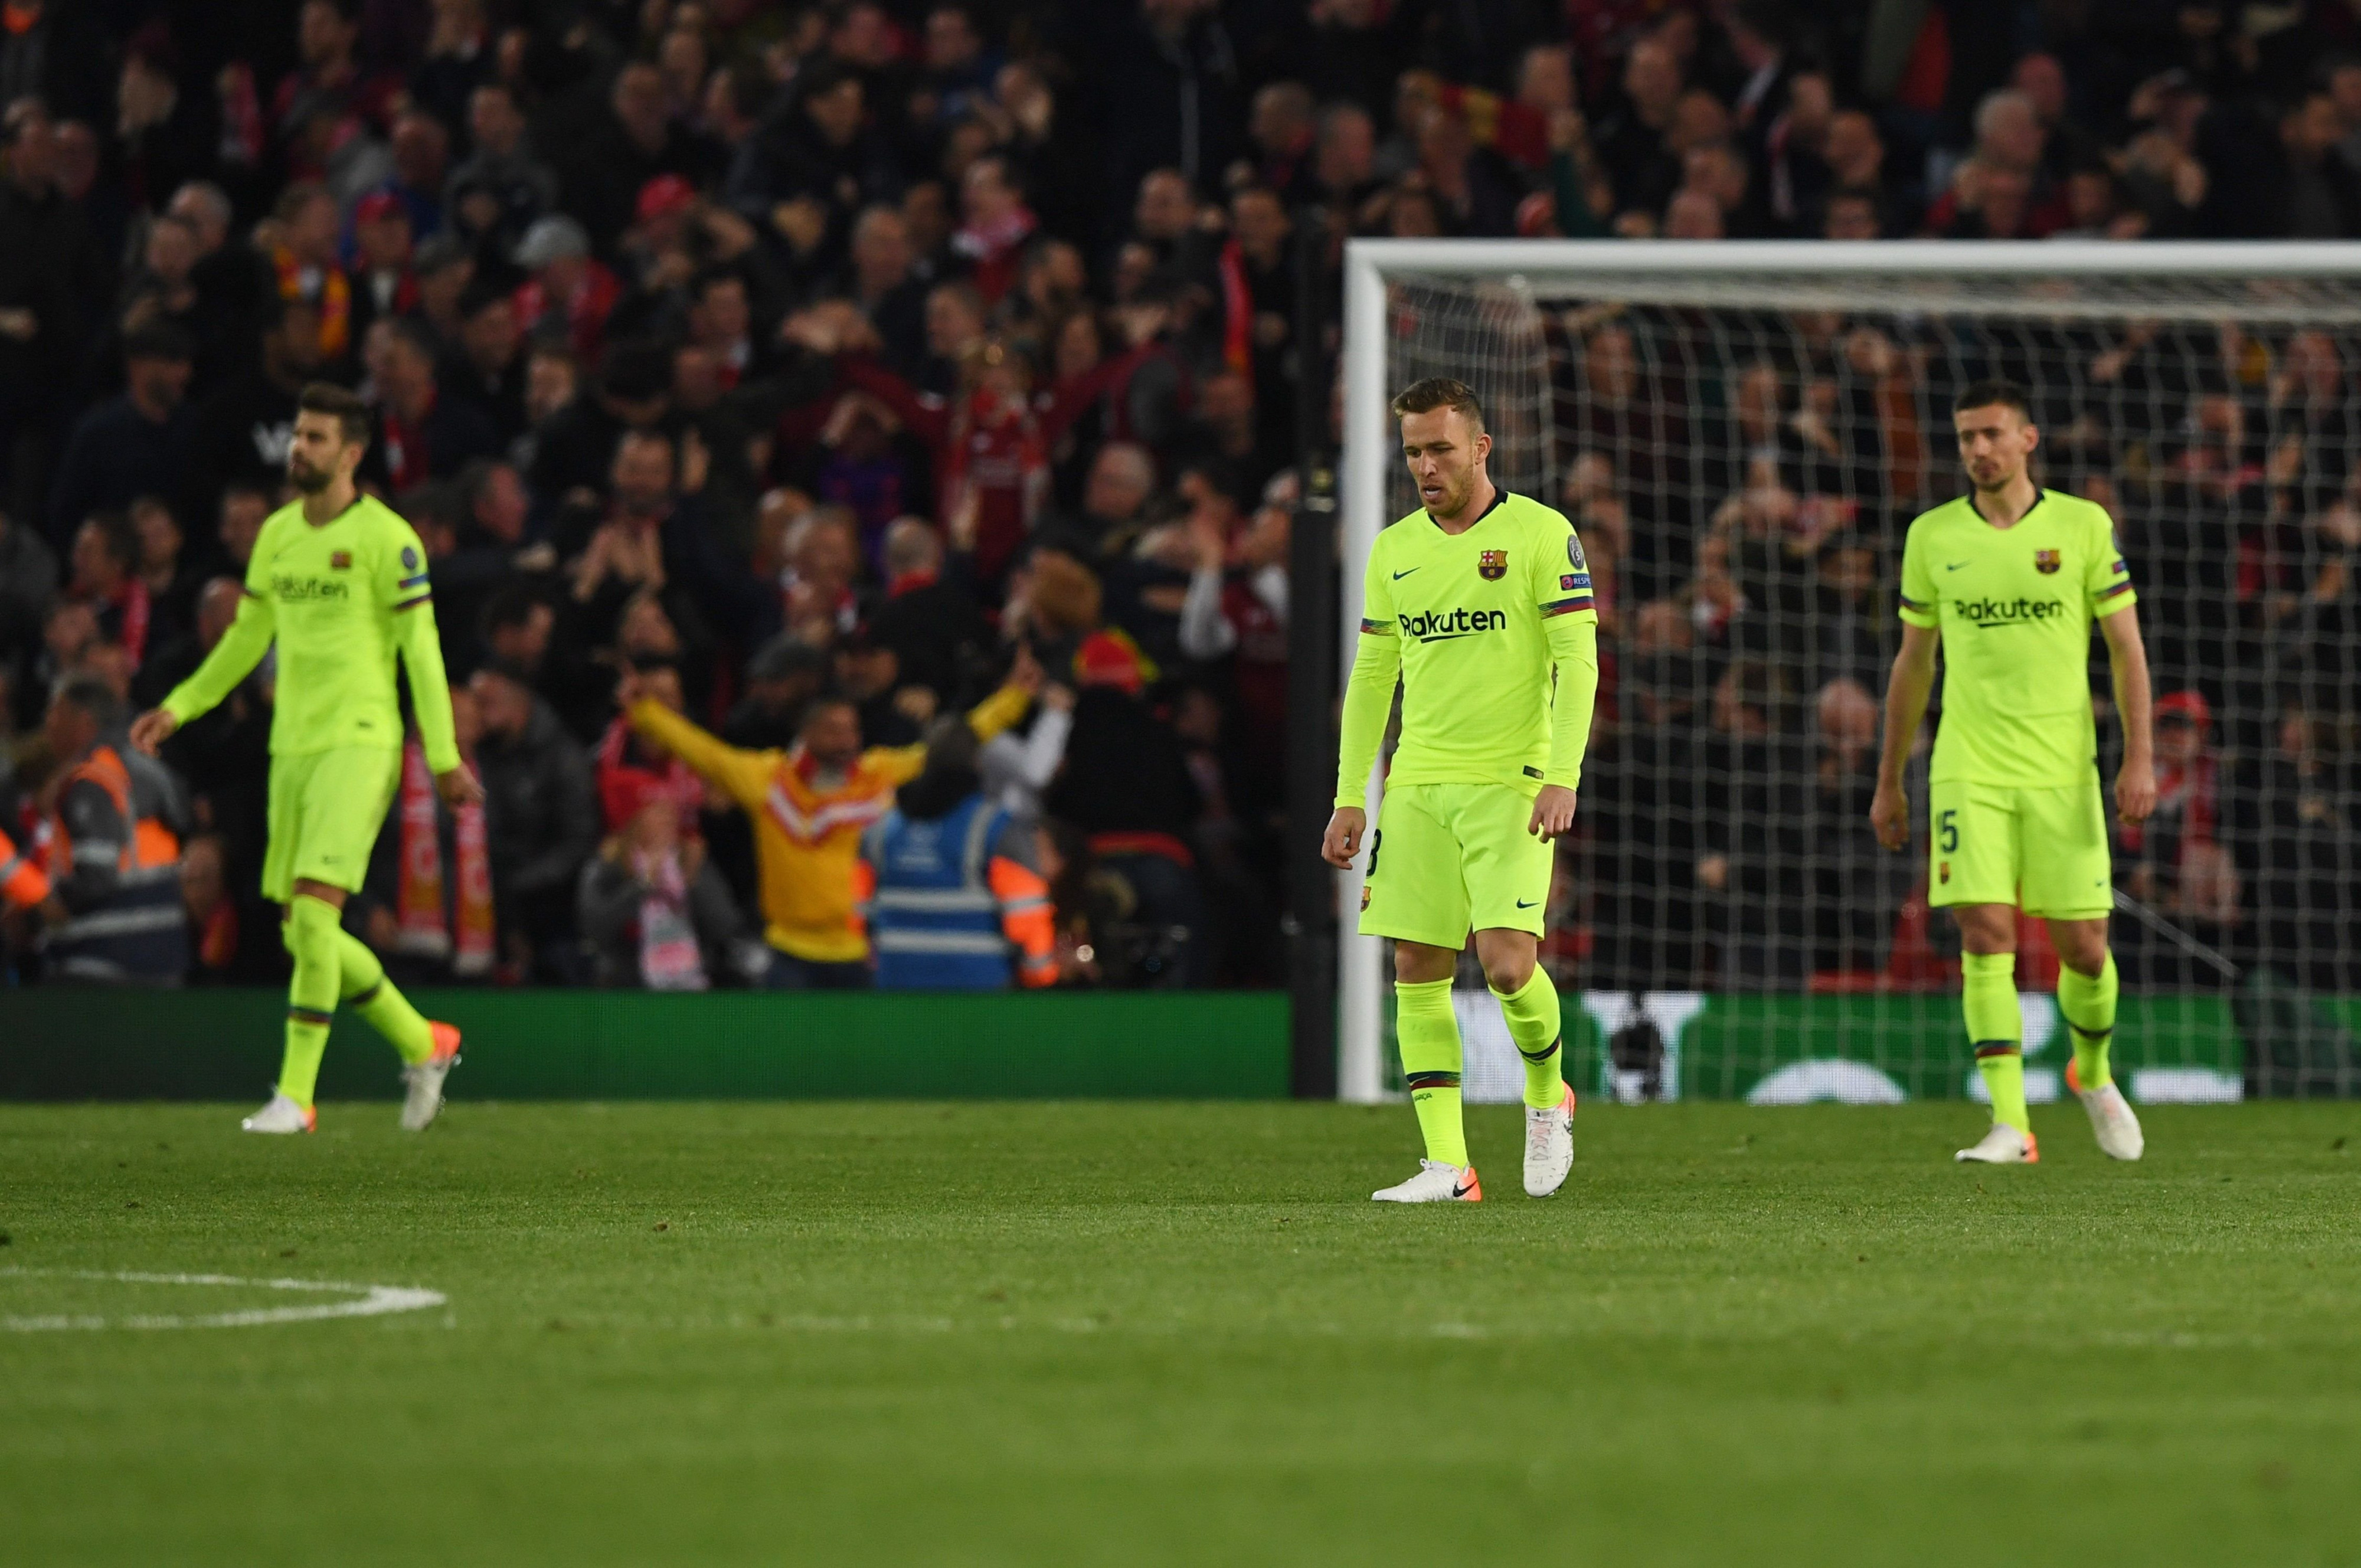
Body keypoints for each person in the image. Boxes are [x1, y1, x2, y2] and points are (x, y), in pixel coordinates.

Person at [129, 382, 483, 1135]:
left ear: (352, 453)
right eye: (298, 435)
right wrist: (181, 705)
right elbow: (246, 638)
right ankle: (426, 1042)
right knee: (301, 930)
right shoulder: (280, 534)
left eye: (318, 438)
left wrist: (446, 756)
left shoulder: (390, 539)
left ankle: (296, 1095)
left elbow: (422, 652)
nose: (301, 448)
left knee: (318, 913)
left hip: (360, 740)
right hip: (291, 746)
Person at [1322, 378, 1599, 1203]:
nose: (1425, 464)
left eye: (1440, 447)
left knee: (1510, 968)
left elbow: (1579, 662)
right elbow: (1374, 674)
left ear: (1480, 448)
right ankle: (1451, 1166)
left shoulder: (1542, 534)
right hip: (1418, 784)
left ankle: (1549, 1095)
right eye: (1412, 450)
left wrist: (1562, 775)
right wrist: (1350, 793)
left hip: (1511, 781)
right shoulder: (1394, 548)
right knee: (1416, 965)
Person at [1870, 379, 2154, 1166]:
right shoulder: (1932, 535)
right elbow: (1913, 663)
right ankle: (2010, 1122)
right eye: (1967, 437)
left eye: (1992, 434)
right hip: (1970, 766)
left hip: (2064, 770)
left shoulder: (2082, 525)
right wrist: (1890, 777)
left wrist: (2140, 757)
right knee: (1984, 931)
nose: (1978, 450)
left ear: (2028, 440)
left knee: (2085, 948)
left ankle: (2091, 1073)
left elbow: (2127, 647)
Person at [619, 669, 1032, 988]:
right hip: (789, 950)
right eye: (834, 731)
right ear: (807, 732)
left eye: (852, 730)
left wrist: (1014, 697)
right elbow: (702, 751)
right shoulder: (766, 780)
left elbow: (953, 745)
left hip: (860, 952)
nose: (847, 741)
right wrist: (645, 711)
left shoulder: (878, 775)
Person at [854, 715, 1056, 990]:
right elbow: (1025, 910)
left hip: (897, 986)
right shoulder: (994, 828)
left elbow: (858, 913)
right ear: (977, 761)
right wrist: (1039, 973)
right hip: (976, 990)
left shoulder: (881, 829)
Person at [35, 675, 189, 984]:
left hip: (107, 956)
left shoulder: (94, 780)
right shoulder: (151, 767)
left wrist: (41, 906)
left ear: (84, 722)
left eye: (56, 713)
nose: (47, 724)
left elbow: (97, 876)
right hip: (167, 948)